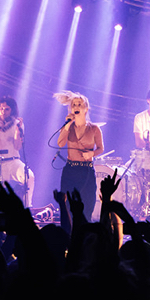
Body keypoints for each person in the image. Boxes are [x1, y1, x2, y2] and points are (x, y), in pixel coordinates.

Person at [55, 90, 104, 220]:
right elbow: (60, 143)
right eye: (74, 104)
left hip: (86, 170)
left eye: (79, 104)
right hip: (70, 169)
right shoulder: (68, 127)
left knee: (87, 205)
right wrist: (67, 125)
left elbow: (101, 148)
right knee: (67, 206)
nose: (76, 107)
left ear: (86, 109)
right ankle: (68, 235)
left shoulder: (94, 129)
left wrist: (92, 153)